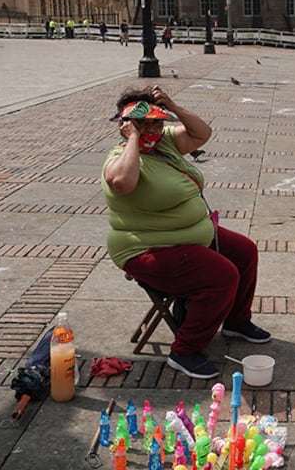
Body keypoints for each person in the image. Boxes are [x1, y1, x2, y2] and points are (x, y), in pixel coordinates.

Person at [102, 85, 269, 379]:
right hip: (147, 248)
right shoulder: (121, 158)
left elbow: (202, 133)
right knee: (223, 275)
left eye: (157, 121)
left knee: (244, 251)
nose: (153, 128)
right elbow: (122, 183)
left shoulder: (165, 142)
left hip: (189, 236)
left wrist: (174, 106)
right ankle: (185, 351)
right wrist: (133, 140)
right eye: (144, 123)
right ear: (126, 126)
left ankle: (236, 320)